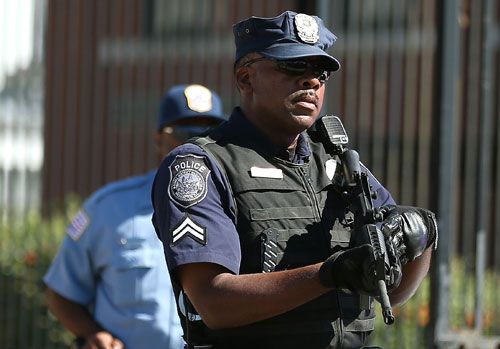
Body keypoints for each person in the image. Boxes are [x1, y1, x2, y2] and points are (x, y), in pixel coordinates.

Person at [151, 11, 438, 349]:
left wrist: (422, 237)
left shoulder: (338, 163)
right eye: (292, 67)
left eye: (320, 72)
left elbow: (394, 290)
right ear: (246, 79)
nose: (311, 81)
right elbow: (214, 303)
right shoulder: (202, 165)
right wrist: (330, 274)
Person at [44, 84, 228, 349]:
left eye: (209, 134)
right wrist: (93, 334)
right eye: (185, 133)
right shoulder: (109, 207)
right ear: (159, 141)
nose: (196, 144)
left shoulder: (235, 207)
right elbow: (61, 292)